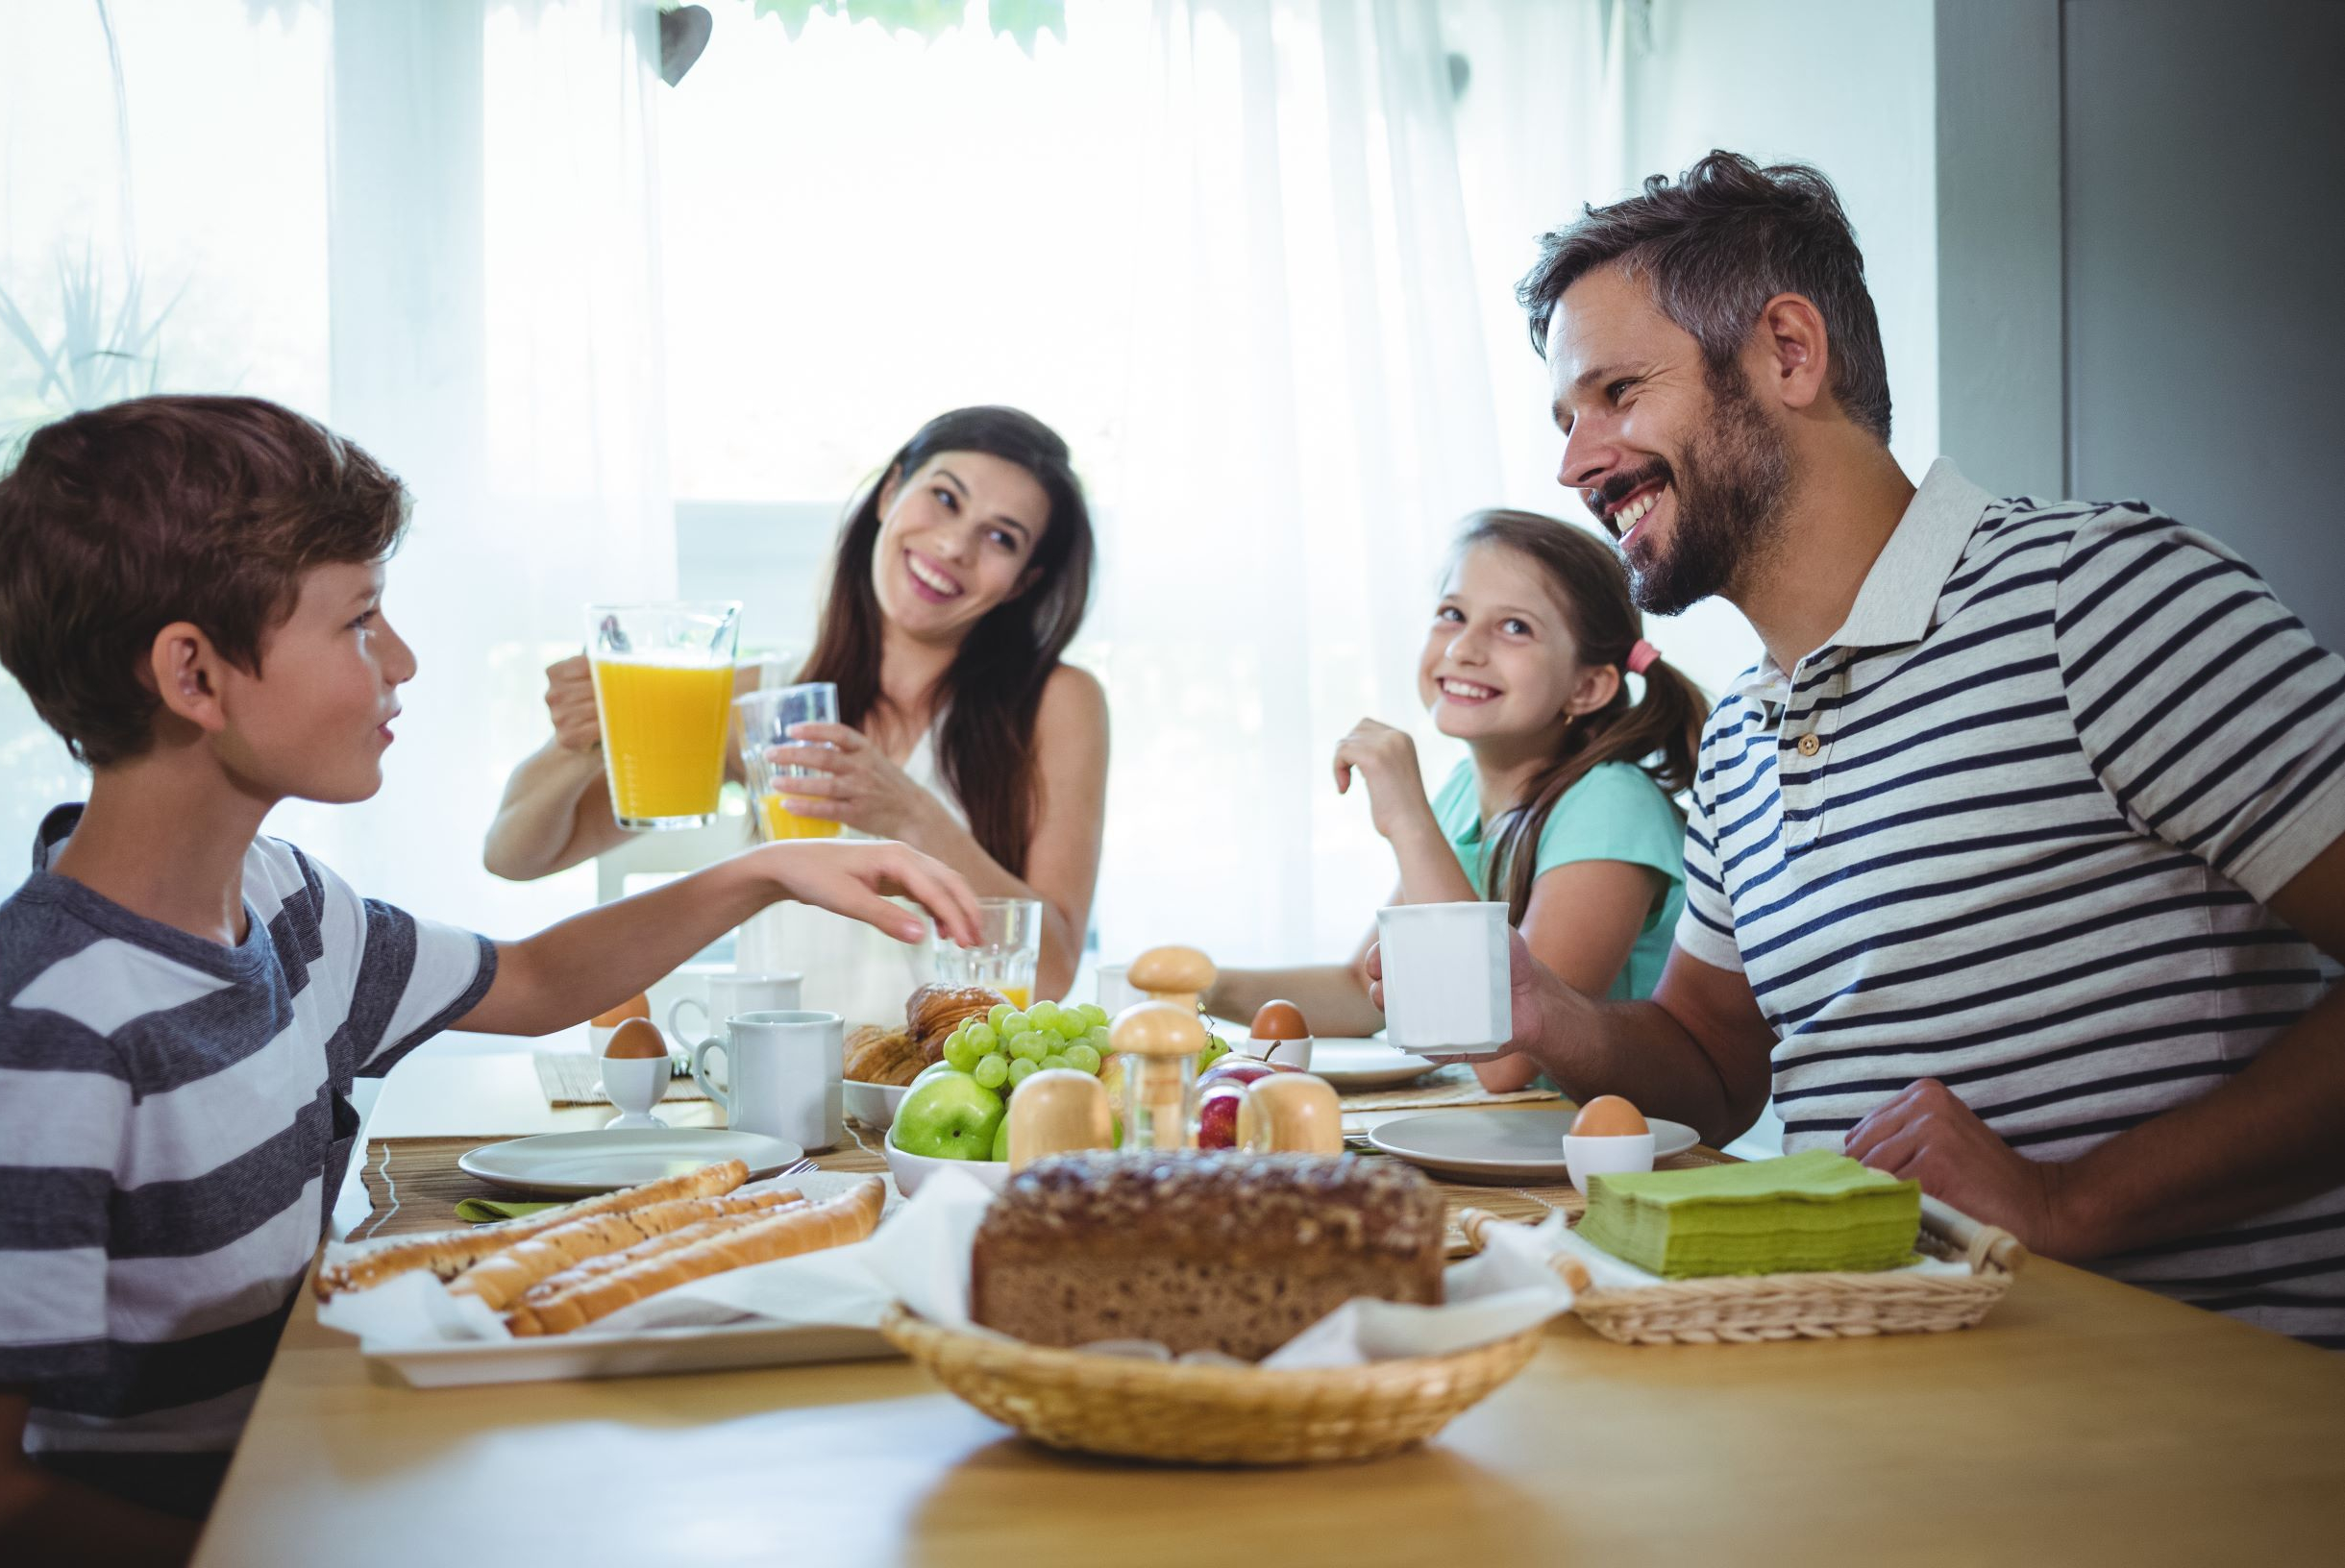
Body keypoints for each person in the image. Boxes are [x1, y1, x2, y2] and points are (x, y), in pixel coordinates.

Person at [1371, 151, 2345, 1345]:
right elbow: (1709, 1066)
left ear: (1789, 352)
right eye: (1567, 420)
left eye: (1617, 392)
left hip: (2182, 1390)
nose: (1574, 464)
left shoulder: (2095, 597)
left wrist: (2068, 1200)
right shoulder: (1740, 736)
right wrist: (1545, 1011)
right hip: (1889, 1364)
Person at [0, 396, 981, 1562]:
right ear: (193, 675)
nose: (403, 662)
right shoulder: (52, 1025)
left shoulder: (284, 902)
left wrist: (766, 871)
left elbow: (531, 977)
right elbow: (8, 1499)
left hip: (316, 1453)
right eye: (361, 621)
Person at [484, 406, 1107, 1020]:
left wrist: (910, 814)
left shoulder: (1058, 703)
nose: (953, 545)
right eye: (944, 499)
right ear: (890, 492)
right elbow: (516, 857)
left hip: (949, 1078)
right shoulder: (763, 701)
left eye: (1001, 538)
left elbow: (1051, 973)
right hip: (774, 1072)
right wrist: (581, 743)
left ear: (1024, 580)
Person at [1212, 509, 1699, 1091]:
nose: (1464, 648)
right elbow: (1360, 993)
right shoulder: (1464, 794)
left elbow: (1506, 1057)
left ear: (1587, 686)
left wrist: (1408, 819)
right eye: (1452, 614)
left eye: (1514, 627)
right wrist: (1203, 986)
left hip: (1588, 1144)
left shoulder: (1613, 807)